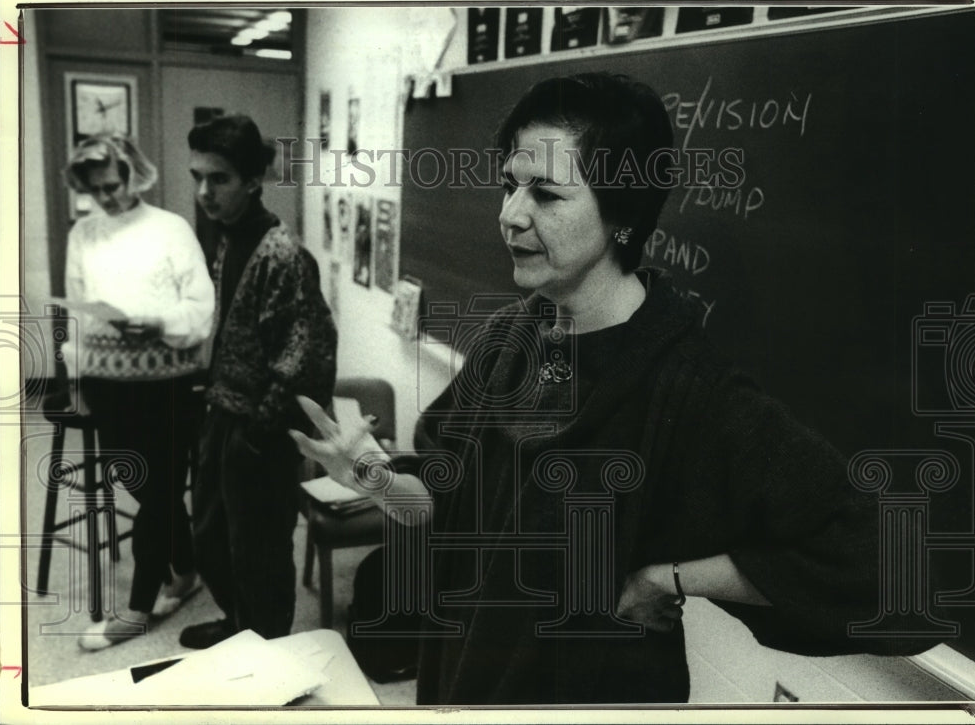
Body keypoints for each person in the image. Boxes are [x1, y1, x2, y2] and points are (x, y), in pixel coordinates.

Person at [289, 73, 936, 704]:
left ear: (621, 213)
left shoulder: (686, 385)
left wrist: (667, 577)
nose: (509, 215)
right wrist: (368, 475)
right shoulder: (509, 338)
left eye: (546, 194)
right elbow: (442, 503)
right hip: (471, 671)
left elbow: (887, 565)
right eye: (511, 186)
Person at [179, 114, 338, 649]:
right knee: (211, 538)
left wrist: (259, 434)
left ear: (251, 180)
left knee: (261, 550)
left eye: (218, 178)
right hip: (224, 416)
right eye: (198, 176)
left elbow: (308, 358)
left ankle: (267, 651)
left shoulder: (283, 255)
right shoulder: (228, 238)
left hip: (260, 432)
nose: (204, 191)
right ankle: (238, 624)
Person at [63, 134, 213, 650]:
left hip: (168, 381)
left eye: (112, 186)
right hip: (108, 384)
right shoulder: (83, 233)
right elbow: (78, 311)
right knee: (146, 486)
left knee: (161, 489)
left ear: (134, 174)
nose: (106, 198)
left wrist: (158, 321)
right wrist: (77, 375)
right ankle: (188, 569)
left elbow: (200, 307)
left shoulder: (171, 228)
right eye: (94, 190)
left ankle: (138, 606)